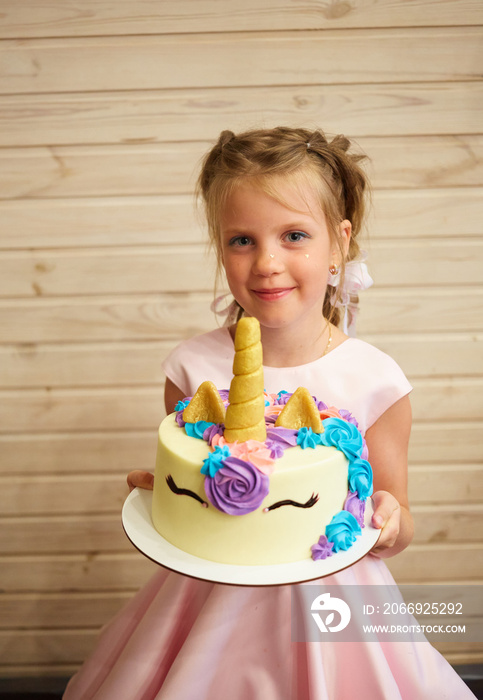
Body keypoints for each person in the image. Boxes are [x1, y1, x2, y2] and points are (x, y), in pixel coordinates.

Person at [63, 127, 475, 699]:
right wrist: (168, 492)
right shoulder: (192, 369)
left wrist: (387, 520)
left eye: (294, 235)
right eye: (242, 240)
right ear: (220, 247)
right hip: (207, 605)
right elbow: (203, 478)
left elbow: (398, 513)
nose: (267, 262)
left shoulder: (375, 379)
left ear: (339, 243)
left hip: (336, 608)